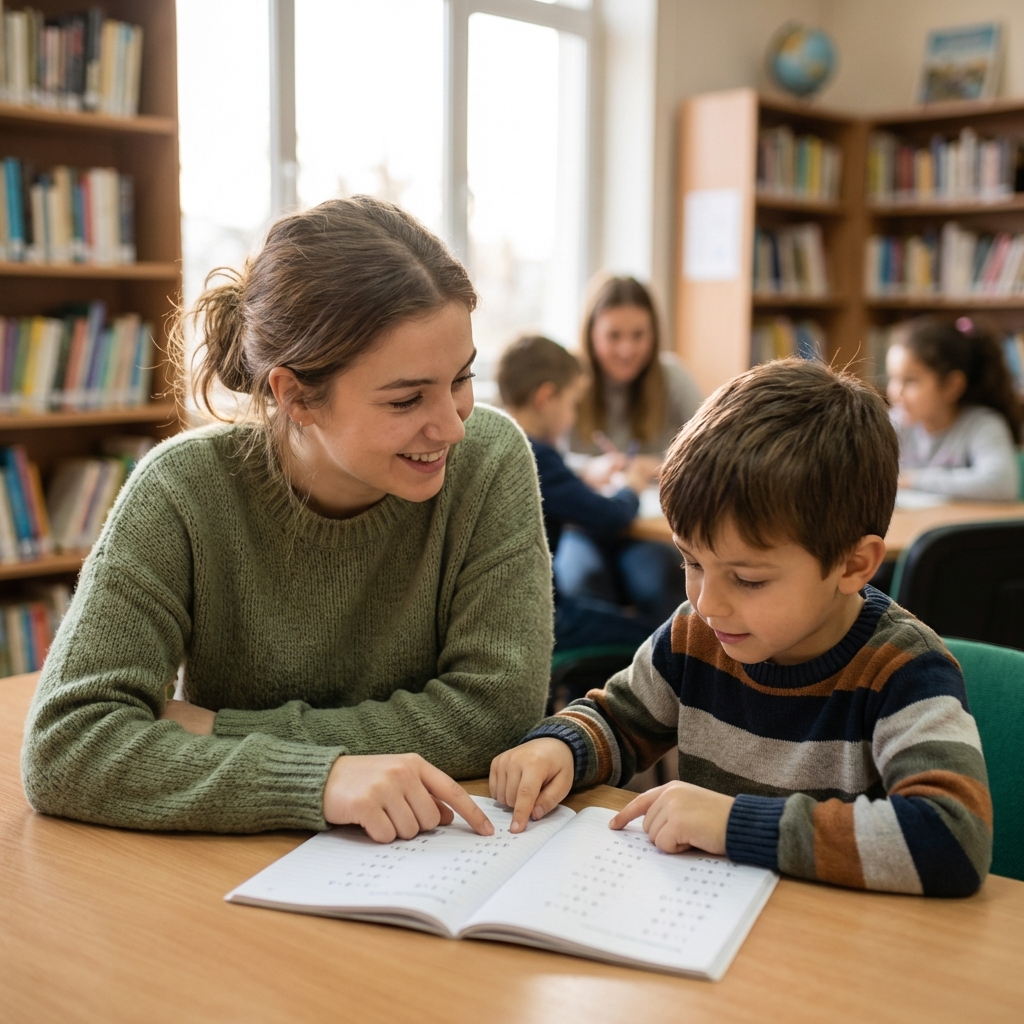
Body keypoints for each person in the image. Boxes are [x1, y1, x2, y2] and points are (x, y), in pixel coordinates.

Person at [21, 196, 555, 844]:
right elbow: (66, 744)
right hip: (233, 865)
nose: (452, 425)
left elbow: (495, 713)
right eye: (408, 398)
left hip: (433, 847)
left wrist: (221, 730)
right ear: (294, 396)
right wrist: (322, 780)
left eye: (463, 379)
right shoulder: (181, 492)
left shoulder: (492, 459)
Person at [491, 358, 992, 897]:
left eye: (749, 580)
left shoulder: (903, 671)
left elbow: (951, 839)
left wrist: (735, 824)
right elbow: (616, 720)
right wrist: (561, 746)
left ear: (852, 566)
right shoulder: (697, 634)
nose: (708, 602)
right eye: (692, 562)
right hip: (706, 929)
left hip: (835, 951)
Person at [496, 334, 660, 653]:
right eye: (572, 404)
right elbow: (611, 517)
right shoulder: (537, 456)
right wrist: (632, 486)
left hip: (512, 614)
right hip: (545, 619)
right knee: (656, 642)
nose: (573, 416)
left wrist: (584, 476)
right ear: (546, 398)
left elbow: (559, 487)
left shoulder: (505, 443)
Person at [557, 276, 702, 623]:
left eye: (639, 335)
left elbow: (709, 453)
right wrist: (589, 470)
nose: (627, 349)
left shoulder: (671, 377)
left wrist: (658, 467)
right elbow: (548, 461)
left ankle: (657, 677)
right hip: (584, 527)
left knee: (660, 581)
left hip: (648, 529)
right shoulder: (568, 379)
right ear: (591, 334)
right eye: (614, 336)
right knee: (581, 581)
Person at [886, 317, 1022, 501]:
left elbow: (1002, 484)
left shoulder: (983, 425)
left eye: (910, 380)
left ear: (952, 386)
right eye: (893, 378)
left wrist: (913, 480)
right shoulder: (891, 425)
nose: (895, 392)